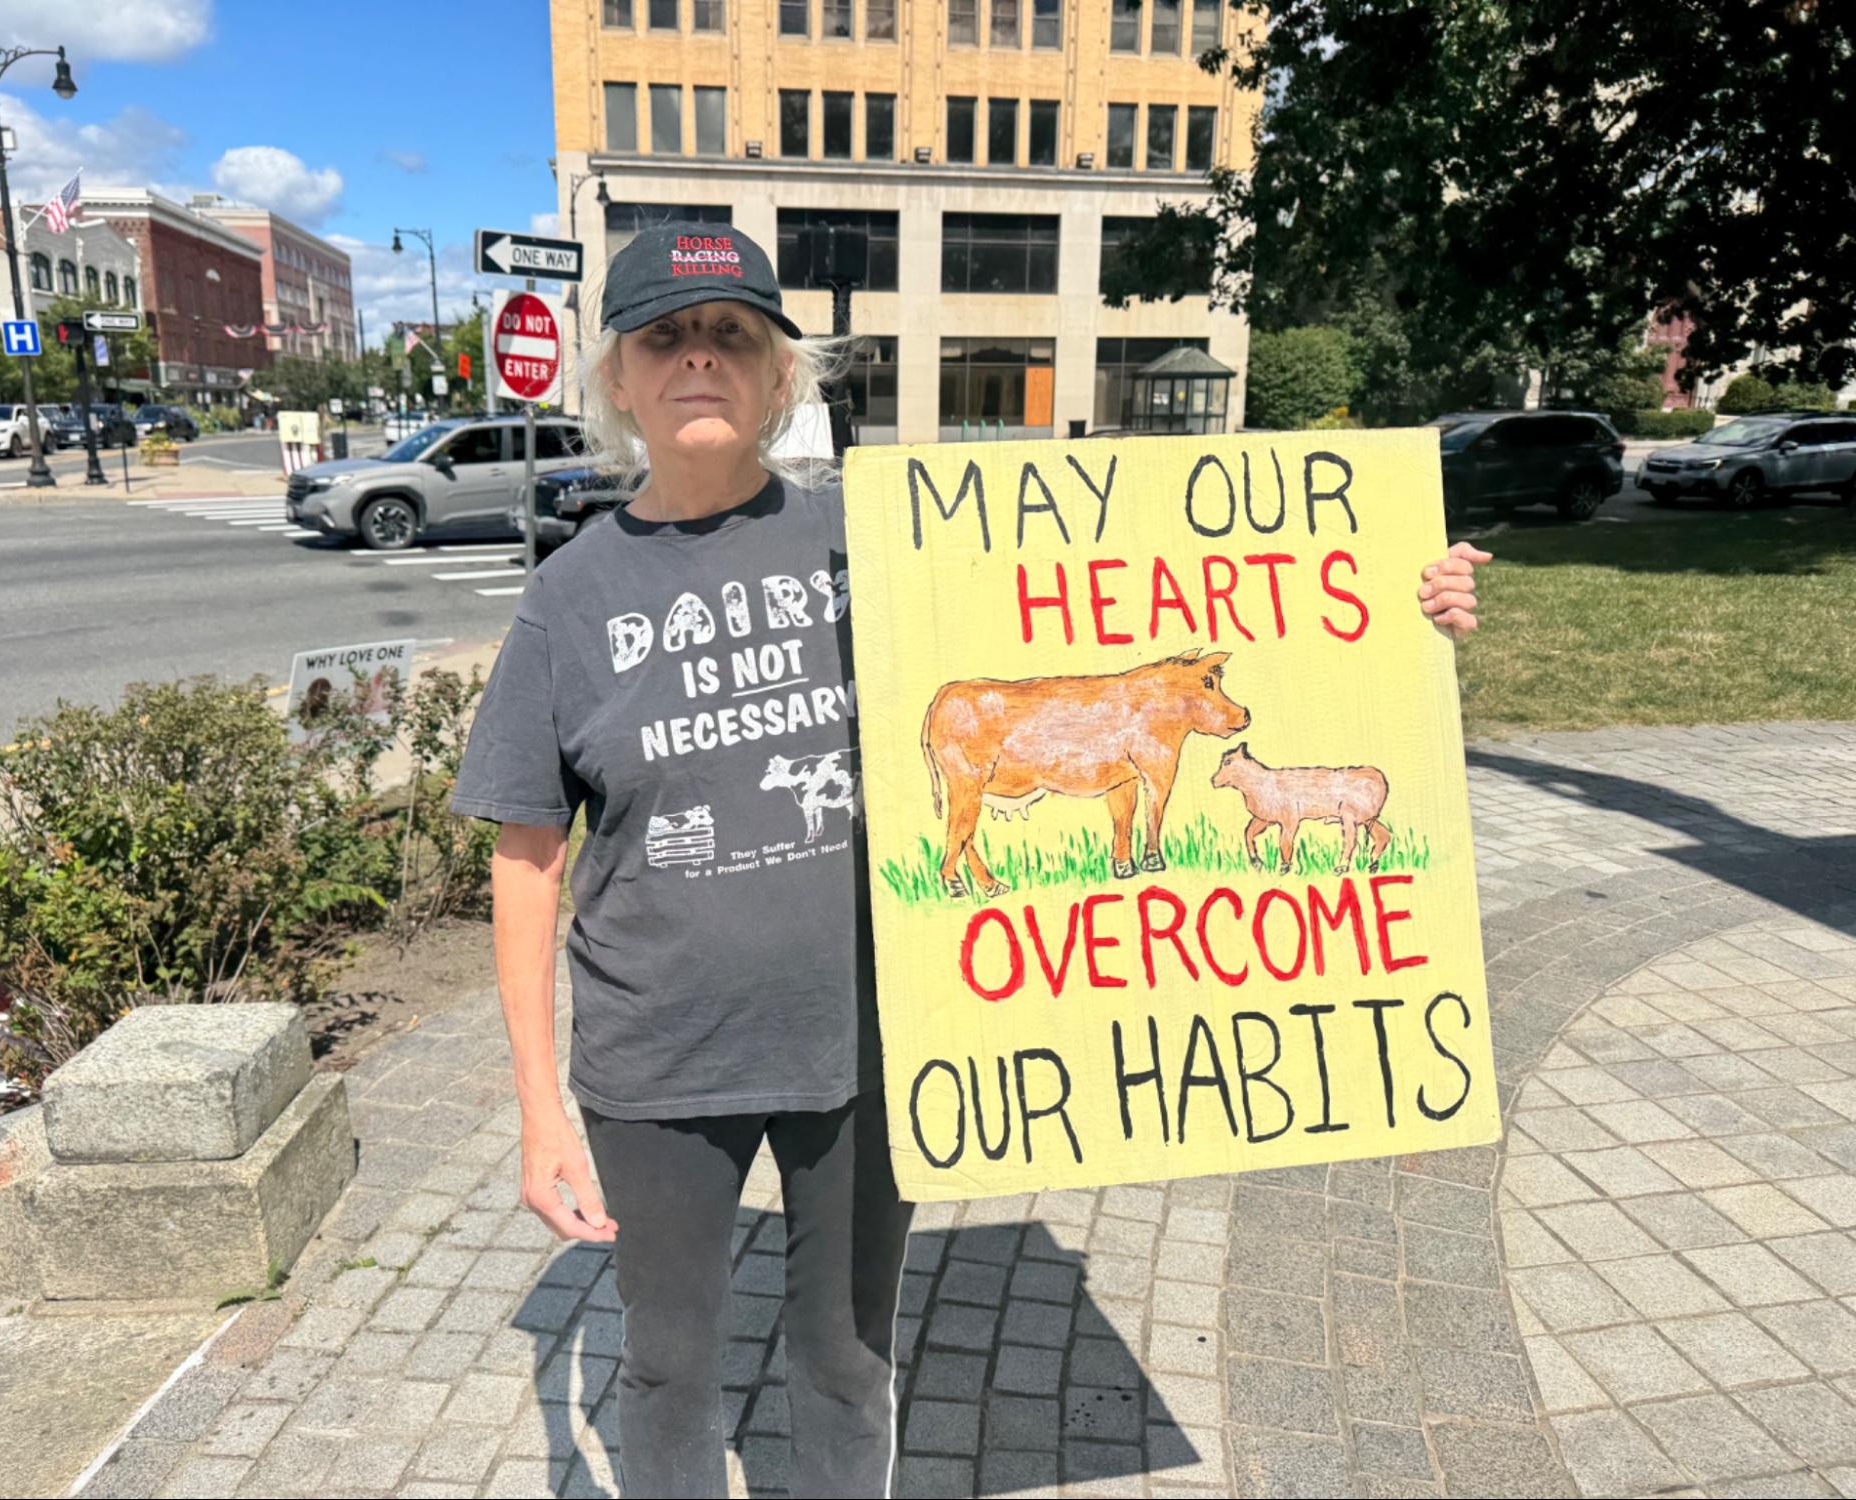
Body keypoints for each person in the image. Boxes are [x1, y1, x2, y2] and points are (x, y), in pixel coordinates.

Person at [449, 222, 1490, 1500]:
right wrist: (538, 1108)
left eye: (732, 335)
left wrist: (1398, 596)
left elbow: (1168, 589)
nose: (698, 359)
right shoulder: (569, 596)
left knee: (845, 1357)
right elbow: (527, 858)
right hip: (658, 1062)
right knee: (667, 1368)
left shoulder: (884, 543)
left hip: (872, 1049)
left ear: (780, 375)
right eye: (664, 336)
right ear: (617, 376)